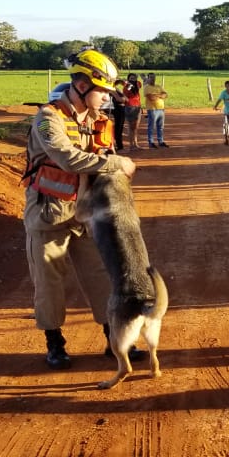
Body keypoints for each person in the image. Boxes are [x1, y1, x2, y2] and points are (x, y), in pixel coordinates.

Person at [21, 48, 140, 369]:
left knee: (102, 278)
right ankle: (55, 343)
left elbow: (100, 165)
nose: (106, 98)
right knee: (49, 283)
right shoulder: (48, 118)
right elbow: (66, 158)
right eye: (102, 91)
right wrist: (118, 162)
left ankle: (113, 339)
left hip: (87, 216)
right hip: (49, 216)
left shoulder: (100, 121)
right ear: (83, 85)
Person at [142, 72, 169, 148]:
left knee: (160, 126)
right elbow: (151, 98)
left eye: (154, 77)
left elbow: (166, 95)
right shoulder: (147, 87)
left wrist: (156, 95)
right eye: (151, 77)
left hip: (161, 109)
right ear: (148, 78)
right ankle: (151, 142)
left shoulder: (158, 86)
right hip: (152, 110)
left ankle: (161, 141)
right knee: (151, 126)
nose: (153, 79)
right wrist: (160, 95)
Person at [122, 73, 142, 150]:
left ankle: (136, 144)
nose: (133, 79)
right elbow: (127, 93)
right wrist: (127, 84)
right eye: (131, 78)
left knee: (136, 127)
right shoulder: (126, 87)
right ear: (128, 79)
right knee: (131, 127)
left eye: (134, 78)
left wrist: (129, 83)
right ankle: (131, 145)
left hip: (138, 106)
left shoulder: (137, 84)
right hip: (130, 107)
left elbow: (138, 85)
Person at [109, 79, 128, 152]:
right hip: (117, 108)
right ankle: (119, 146)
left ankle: (120, 146)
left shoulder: (116, 89)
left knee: (120, 128)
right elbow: (120, 99)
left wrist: (123, 99)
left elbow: (126, 99)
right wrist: (123, 99)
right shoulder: (111, 89)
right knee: (118, 127)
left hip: (121, 108)